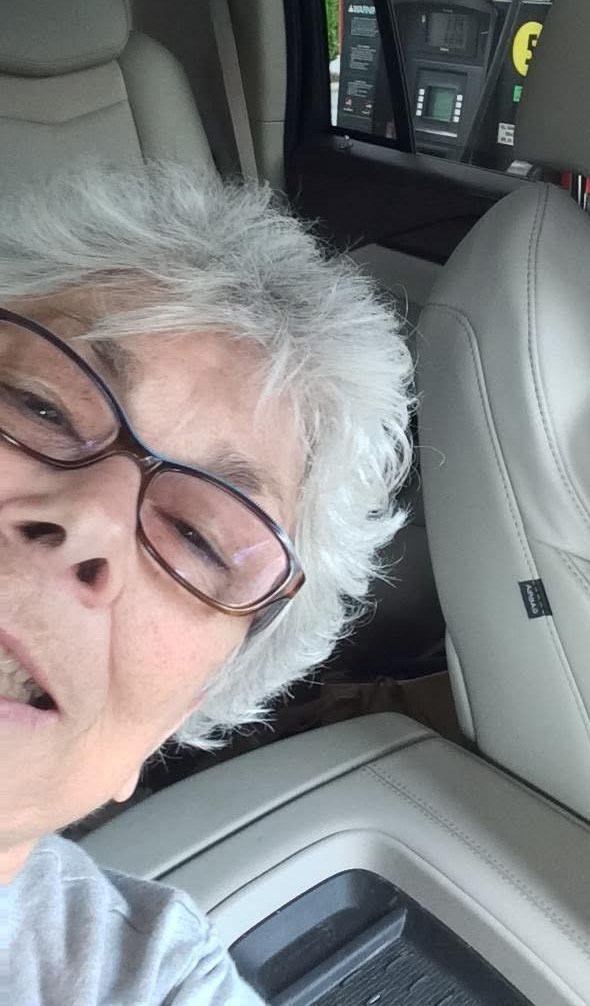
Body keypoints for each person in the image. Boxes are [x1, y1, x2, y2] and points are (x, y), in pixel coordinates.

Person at [0, 166, 413, 1004]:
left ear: (181, 712)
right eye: (39, 407)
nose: (96, 523)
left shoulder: (150, 977)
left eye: (198, 539)